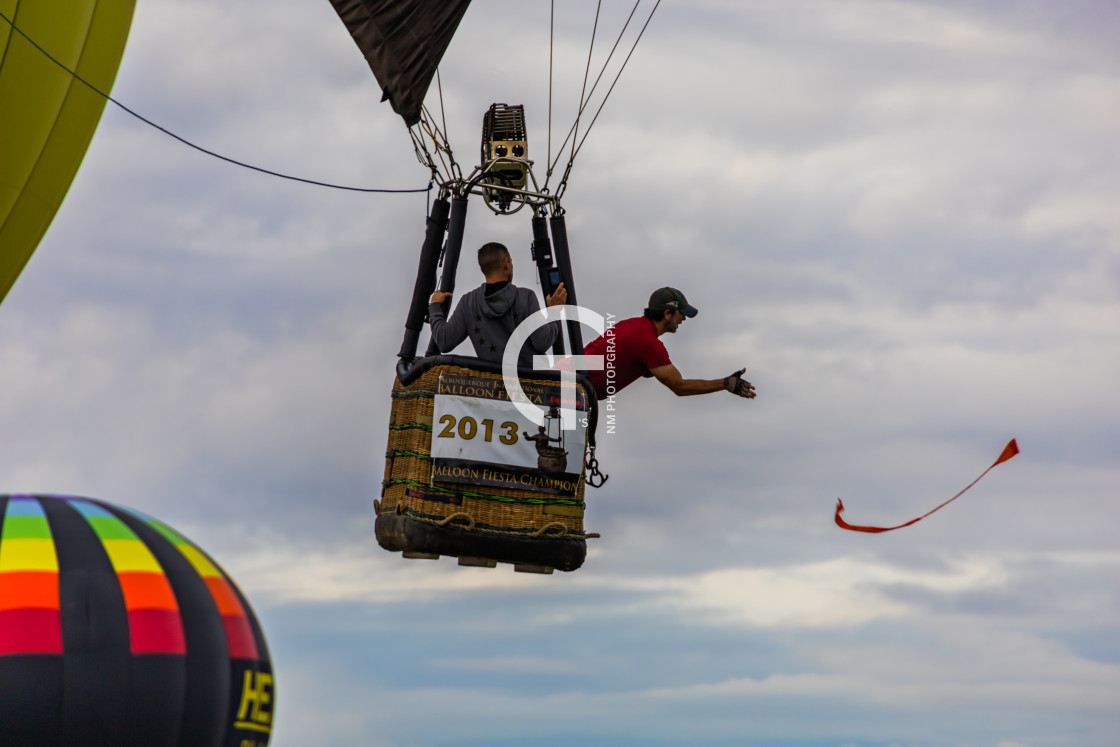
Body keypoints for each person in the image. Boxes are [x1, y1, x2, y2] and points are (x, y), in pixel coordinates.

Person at [582, 287, 756, 401]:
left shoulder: (631, 325)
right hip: (572, 393)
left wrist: (646, 368)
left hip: (565, 381)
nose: (684, 318)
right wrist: (725, 383)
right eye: (681, 314)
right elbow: (680, 387)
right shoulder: (649, 344)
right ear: (667, 313)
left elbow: (612, 358)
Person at [429, 242, 568, 367]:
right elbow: (542, 342)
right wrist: (555, 311)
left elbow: (444, 341)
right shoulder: (526, 297)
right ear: (506, 263)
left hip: (494, 390)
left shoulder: (468, 302)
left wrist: (435, 306)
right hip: (532, 390)